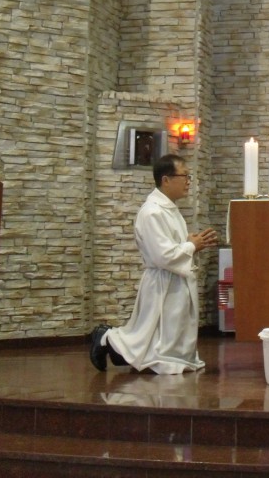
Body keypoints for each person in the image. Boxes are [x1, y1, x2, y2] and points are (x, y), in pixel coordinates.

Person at [89, 154, 218, 374]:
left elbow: (172, 246)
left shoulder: (169, 209)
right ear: (166, 180)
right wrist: (191, 246)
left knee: (162, 333)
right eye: (185, 176)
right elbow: (162, 255)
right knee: (151, 335)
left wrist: (191, 244)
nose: (188, 181)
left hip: (174, 279)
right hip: (161, 281)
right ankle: (107, 338)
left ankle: (124, 350)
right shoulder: (152, 212)